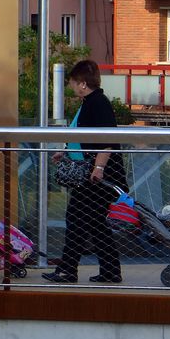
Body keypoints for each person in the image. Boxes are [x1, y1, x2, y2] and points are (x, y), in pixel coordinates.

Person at [42, 59, 127, 284]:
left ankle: (68, 270)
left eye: (72, 83)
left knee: (77, 219)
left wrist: (98, 168)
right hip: (93, 175)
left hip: (96, 178)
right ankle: (110, 271)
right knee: (94, 222)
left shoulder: (97, 103)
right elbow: (84, 137)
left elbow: (107, 140)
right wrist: (66, 151)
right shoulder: (91, 102)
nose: (71, 87)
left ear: (82, 84)